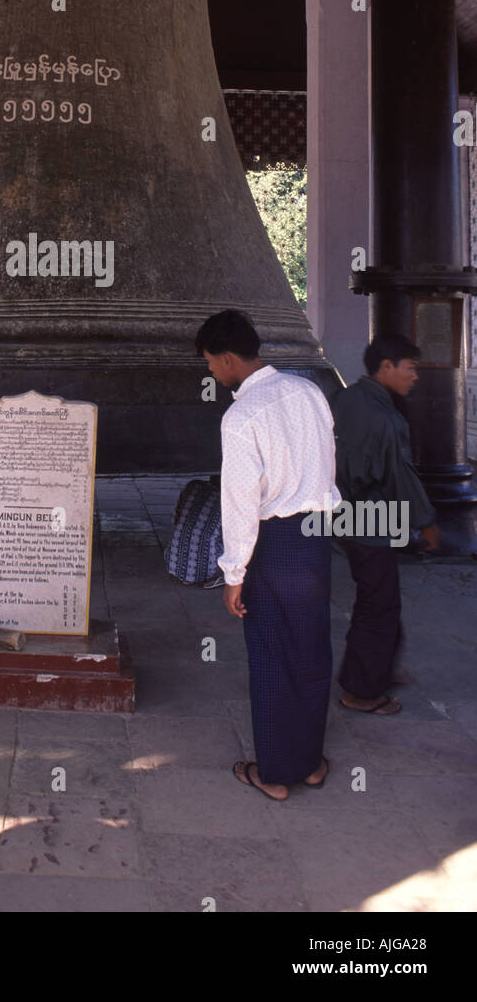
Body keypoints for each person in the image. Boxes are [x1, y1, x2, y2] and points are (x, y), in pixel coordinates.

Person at [196, 309, 341, 801]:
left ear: (230, 358)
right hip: (316, 537)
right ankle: (311, 762)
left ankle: (276, 773)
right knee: (311, 646)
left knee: (273, 654)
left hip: (273, 545)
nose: (212, 372)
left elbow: (240, 502)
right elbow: (327, 464)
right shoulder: (309, 393)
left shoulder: (240, 417)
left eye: (212, 362)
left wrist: (233, 573)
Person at [330, 335, 442, 715]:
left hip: (341, 512)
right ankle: (361, 692)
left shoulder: (343, 400)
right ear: (386, 367)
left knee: (379, 595)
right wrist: (426, 522)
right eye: (409, 368)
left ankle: (382, 667)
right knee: (378, 605)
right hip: (370, 520)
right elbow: (401, 477)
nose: (414, 376)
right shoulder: (386, 419)